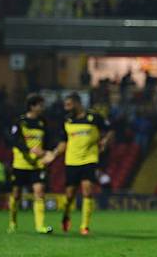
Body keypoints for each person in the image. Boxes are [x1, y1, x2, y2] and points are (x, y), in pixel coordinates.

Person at [46, 92, 113, 235]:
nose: (66, 107)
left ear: (77, 103)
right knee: (69, 196)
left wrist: (105, 141)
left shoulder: (94, 117)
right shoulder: (67, 120)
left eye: (68, 104)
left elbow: (109, 130)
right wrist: (53, 154)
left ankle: (84, 226)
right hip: (72, 161)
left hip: (89, 159)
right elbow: (63, 143)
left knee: (87, 190)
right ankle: (66, 216)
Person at [8, 94, 53, 234]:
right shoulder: (20, 122)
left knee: (39, 193)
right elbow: (13, 141)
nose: (42, 108)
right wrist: (30, 149)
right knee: (16, 195)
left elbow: (48, 142)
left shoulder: (43, 123)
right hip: (20, 164)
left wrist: (48, 153)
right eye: (40, 105)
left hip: (37, 165)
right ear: (32, 106)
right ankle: (13, 222)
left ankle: (40, 226)